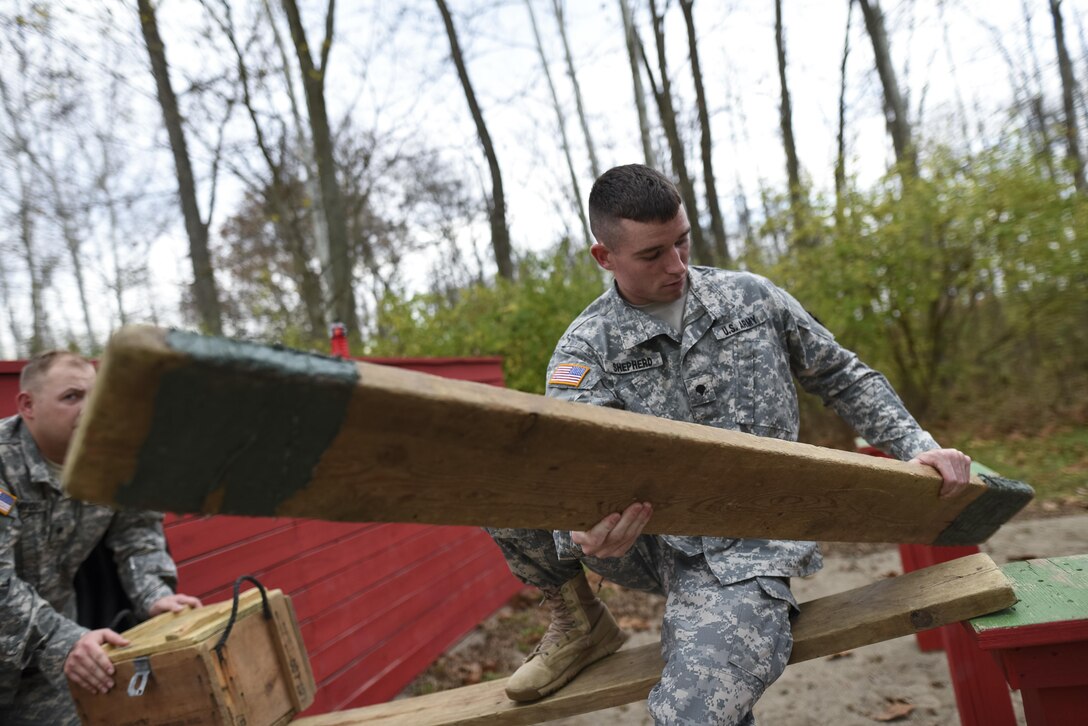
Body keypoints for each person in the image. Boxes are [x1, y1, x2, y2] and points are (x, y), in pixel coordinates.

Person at [488, 164, 972, 725]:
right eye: (651, 255)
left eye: (682, 241)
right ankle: (580, 623)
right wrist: (582, 529)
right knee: (489, 473)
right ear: (605, 257)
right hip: (650, 539)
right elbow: (573, 462)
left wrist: (915, 444)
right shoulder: (586, 349)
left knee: (694, 713)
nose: (676, 266)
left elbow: (841, 374)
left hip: (749, 548)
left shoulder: (750, 298)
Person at [0, 350, 202, 725]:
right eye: (71, 397)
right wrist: (62, 641)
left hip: (47, 664)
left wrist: (153, 595)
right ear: (28, 405)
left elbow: (136, 532)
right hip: (49, 642)